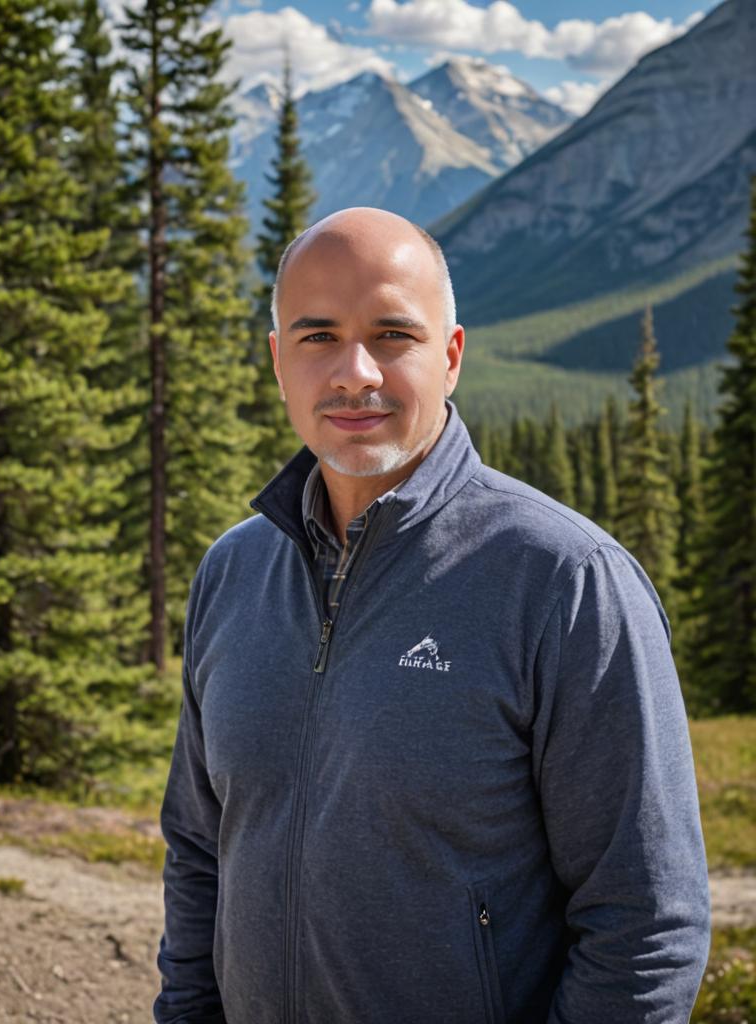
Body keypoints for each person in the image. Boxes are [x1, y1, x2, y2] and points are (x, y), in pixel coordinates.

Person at [153, 207, 710, 1024]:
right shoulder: (233, 571)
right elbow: (202, 856)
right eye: (316, 338)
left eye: (391, 335)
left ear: (449, 357)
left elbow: (648, 919)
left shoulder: (566, 583)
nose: (355, 373)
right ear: (278, 362)